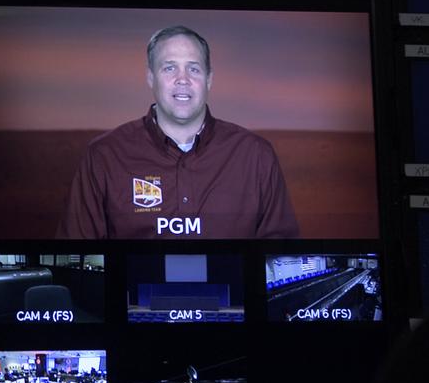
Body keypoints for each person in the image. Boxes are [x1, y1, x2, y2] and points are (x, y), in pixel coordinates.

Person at [59, 25, 298, 239]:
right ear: (151, 77)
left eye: (193, 69)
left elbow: (280, 248)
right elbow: (76, 245)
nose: (182, 79)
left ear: (209, 80)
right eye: (169, 68)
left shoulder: (255, 155)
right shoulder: (104, 155)